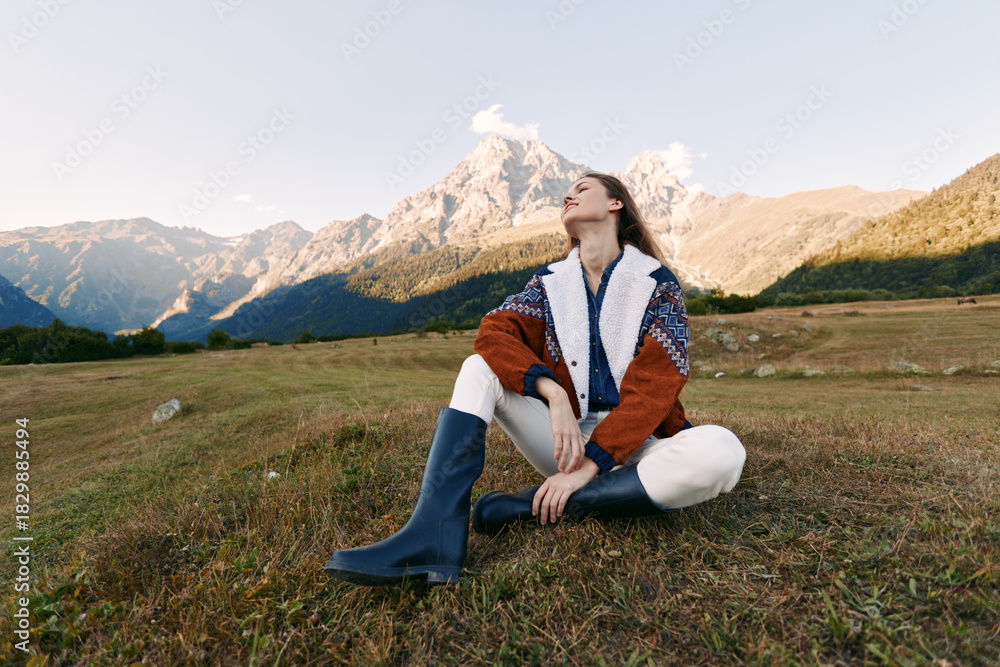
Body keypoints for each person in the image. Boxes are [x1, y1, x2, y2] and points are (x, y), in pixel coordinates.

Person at [324, 172, 746, 586]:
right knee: (478, 368)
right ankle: (432, 535)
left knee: (723, 451)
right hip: (563, 442)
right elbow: (492, 332)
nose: (568, 195)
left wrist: (588, 467)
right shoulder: (549, 283)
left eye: (582, 189)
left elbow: (656, 386)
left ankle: (533, 506)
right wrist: (551, 391)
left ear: (615, 203)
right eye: (567, 192)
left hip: (637, 446)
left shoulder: (657, 284)